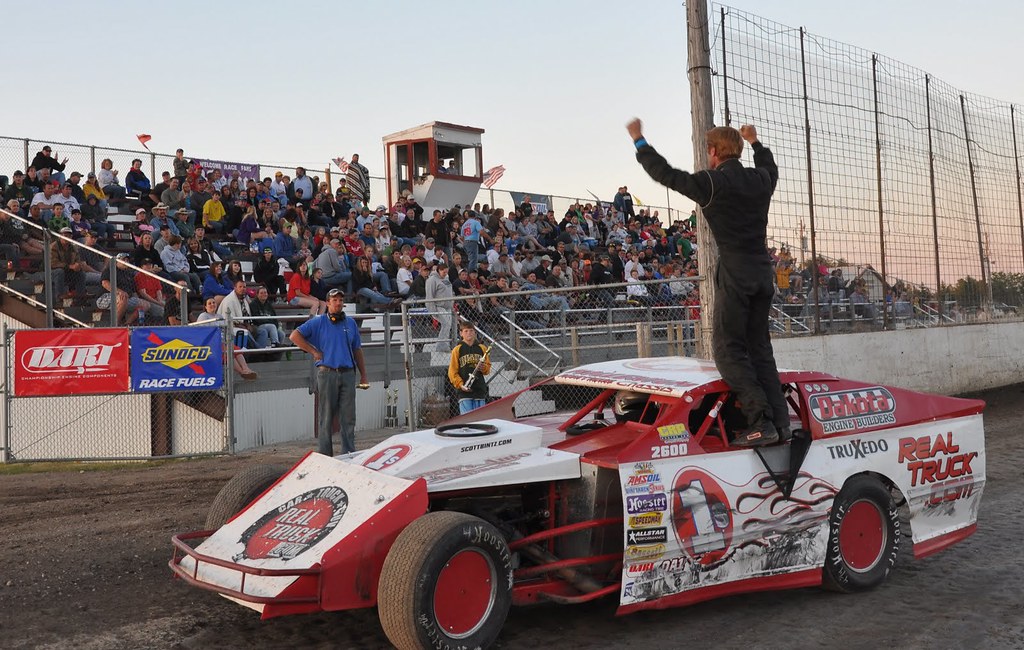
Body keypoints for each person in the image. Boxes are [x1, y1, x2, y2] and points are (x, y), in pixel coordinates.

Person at [629, 118, 787, 447]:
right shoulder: (759, 179)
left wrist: (640, 142)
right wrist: (756, 143)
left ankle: (760, 420)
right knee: (760, 349)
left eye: (707, 150)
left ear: (713, 151)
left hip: (735, 272)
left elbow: (666, 175)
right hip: (762, 271)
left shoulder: (713, 183)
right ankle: (781, 423)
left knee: (728, 351)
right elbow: (770, 168)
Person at [289, 288, 369, 456]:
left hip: (348, 373)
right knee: (326, 417)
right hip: (327, 373)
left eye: (341, 300)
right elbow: (294, 336)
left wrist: (364, 374)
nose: (338, 303)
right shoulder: (318, 322)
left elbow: (357, 349)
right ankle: (325, 455)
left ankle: (349, 453)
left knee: (348, 417)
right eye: (334, 300)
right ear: (328, 303)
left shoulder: (350, 323)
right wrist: (314, 352)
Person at [447, 322, 491, 414]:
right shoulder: (457, 349)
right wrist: (460, 385)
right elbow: (452, 372)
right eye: (466, 331)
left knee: (480, 417)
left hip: (479, 389)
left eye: (471, 331)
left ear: (475, 332)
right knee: (467, 418)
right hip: (464, 391)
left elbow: (487, 369)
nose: (469, 333)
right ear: (461, 333)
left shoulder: (482, 348)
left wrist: (483, 367)